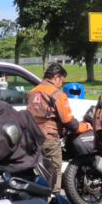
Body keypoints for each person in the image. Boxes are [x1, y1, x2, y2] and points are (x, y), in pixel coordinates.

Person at [27, 63, 86, 193]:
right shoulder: (57, 94)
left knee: (37, 171)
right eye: (61, 80)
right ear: (56, 77)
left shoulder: (32, 92)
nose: (61, 84)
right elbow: (68, 121)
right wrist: (85, 126)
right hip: (49, 138)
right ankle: (54, 198)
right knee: (54, 170)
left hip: (32, 138)